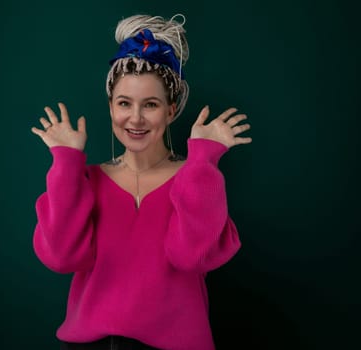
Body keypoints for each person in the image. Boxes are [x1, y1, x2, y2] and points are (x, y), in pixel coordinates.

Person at [30, 13, 252, 350]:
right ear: (110, 107)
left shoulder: (194, 180)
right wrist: (65, 163)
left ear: (171, 110)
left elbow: (190, 257)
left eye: (150, 104)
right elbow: (61, 257)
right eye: (124, 103)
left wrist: (203, 161)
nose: (135, 118)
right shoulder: (86, 179)